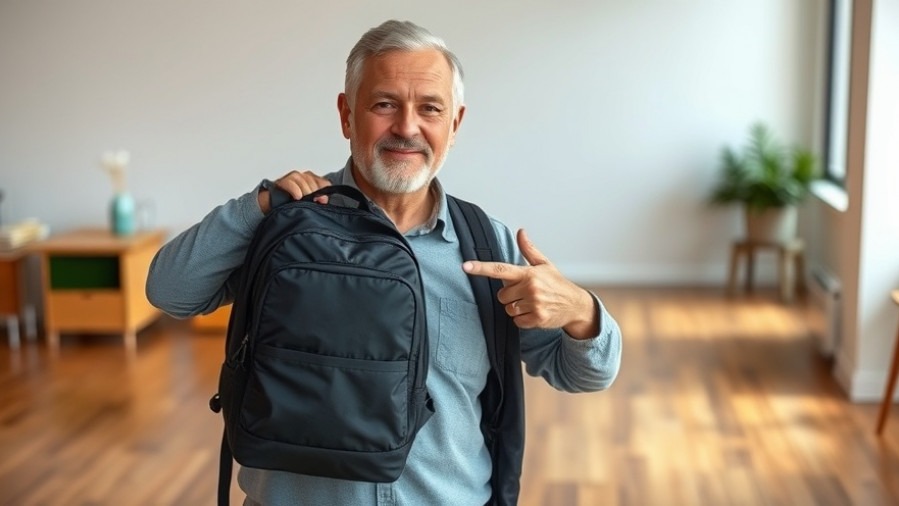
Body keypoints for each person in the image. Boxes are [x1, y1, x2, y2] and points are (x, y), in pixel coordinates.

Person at [146, 19, 622, 506]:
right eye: (384, 104)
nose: (406, 128)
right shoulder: (286, 226)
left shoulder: (486, 245)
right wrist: (259, 207)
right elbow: (170, 292)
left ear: (454, 125)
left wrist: (581, 312)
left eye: (429, 109)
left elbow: (584, 374)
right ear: (347, 115)